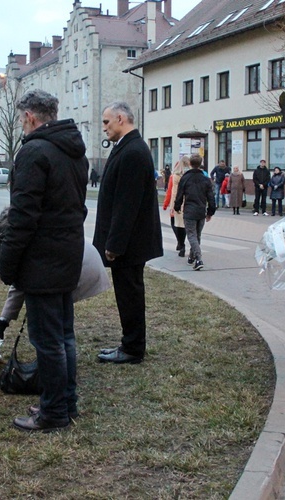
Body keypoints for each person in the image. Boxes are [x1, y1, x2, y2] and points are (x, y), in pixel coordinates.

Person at [0, 89, 88, 432]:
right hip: (66, 254)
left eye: (23, 118)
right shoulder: (74, 149)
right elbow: (78, 207)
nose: (22, 123)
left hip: (42, 260)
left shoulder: (34, 151)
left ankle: (53, 412)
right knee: (64, 336)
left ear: (31, 118)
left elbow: (23, 216)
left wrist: (8, 262)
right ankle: (67, 402)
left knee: (48, 340)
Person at [0, 209, 110, 349]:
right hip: (72, 264)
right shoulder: (12, 237)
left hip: (79, 267)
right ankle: (60, 367)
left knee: (52, 332)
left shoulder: (14, 243)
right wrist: (3, 321)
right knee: (59, 329)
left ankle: (53, 368)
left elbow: (23, 281)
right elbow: (20, 283)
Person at [94, 101, 163, 364]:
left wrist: (114, 245)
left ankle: (133, 348)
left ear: (121, 118)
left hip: (129, 244)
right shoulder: (128, 146)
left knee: (130, 294)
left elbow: (127, 204)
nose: (104, 128)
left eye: (106, 122)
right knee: (127, 293)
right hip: (128, 242)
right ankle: (129, 344)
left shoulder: (133, 151)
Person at [174, 153, 215, 271]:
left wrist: (177, 207)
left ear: (190, 164)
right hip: (201, 211)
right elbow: (211, 197)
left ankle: (198, 258)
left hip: (189, 210)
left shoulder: (185, 178)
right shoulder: (206, 179)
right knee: (197, 235)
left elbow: (179, 195)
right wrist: (210, 212)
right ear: (200, 163)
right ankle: (191, 257)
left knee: (192, 235)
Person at [162, 156, 189, 257]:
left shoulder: (174, 176)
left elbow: (169, 191)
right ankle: (181, 244)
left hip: (175, 203)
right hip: (187, 202)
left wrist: (165, 204)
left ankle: (180, 243)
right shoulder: (190, 175)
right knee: (183, 224)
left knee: (174, 223)